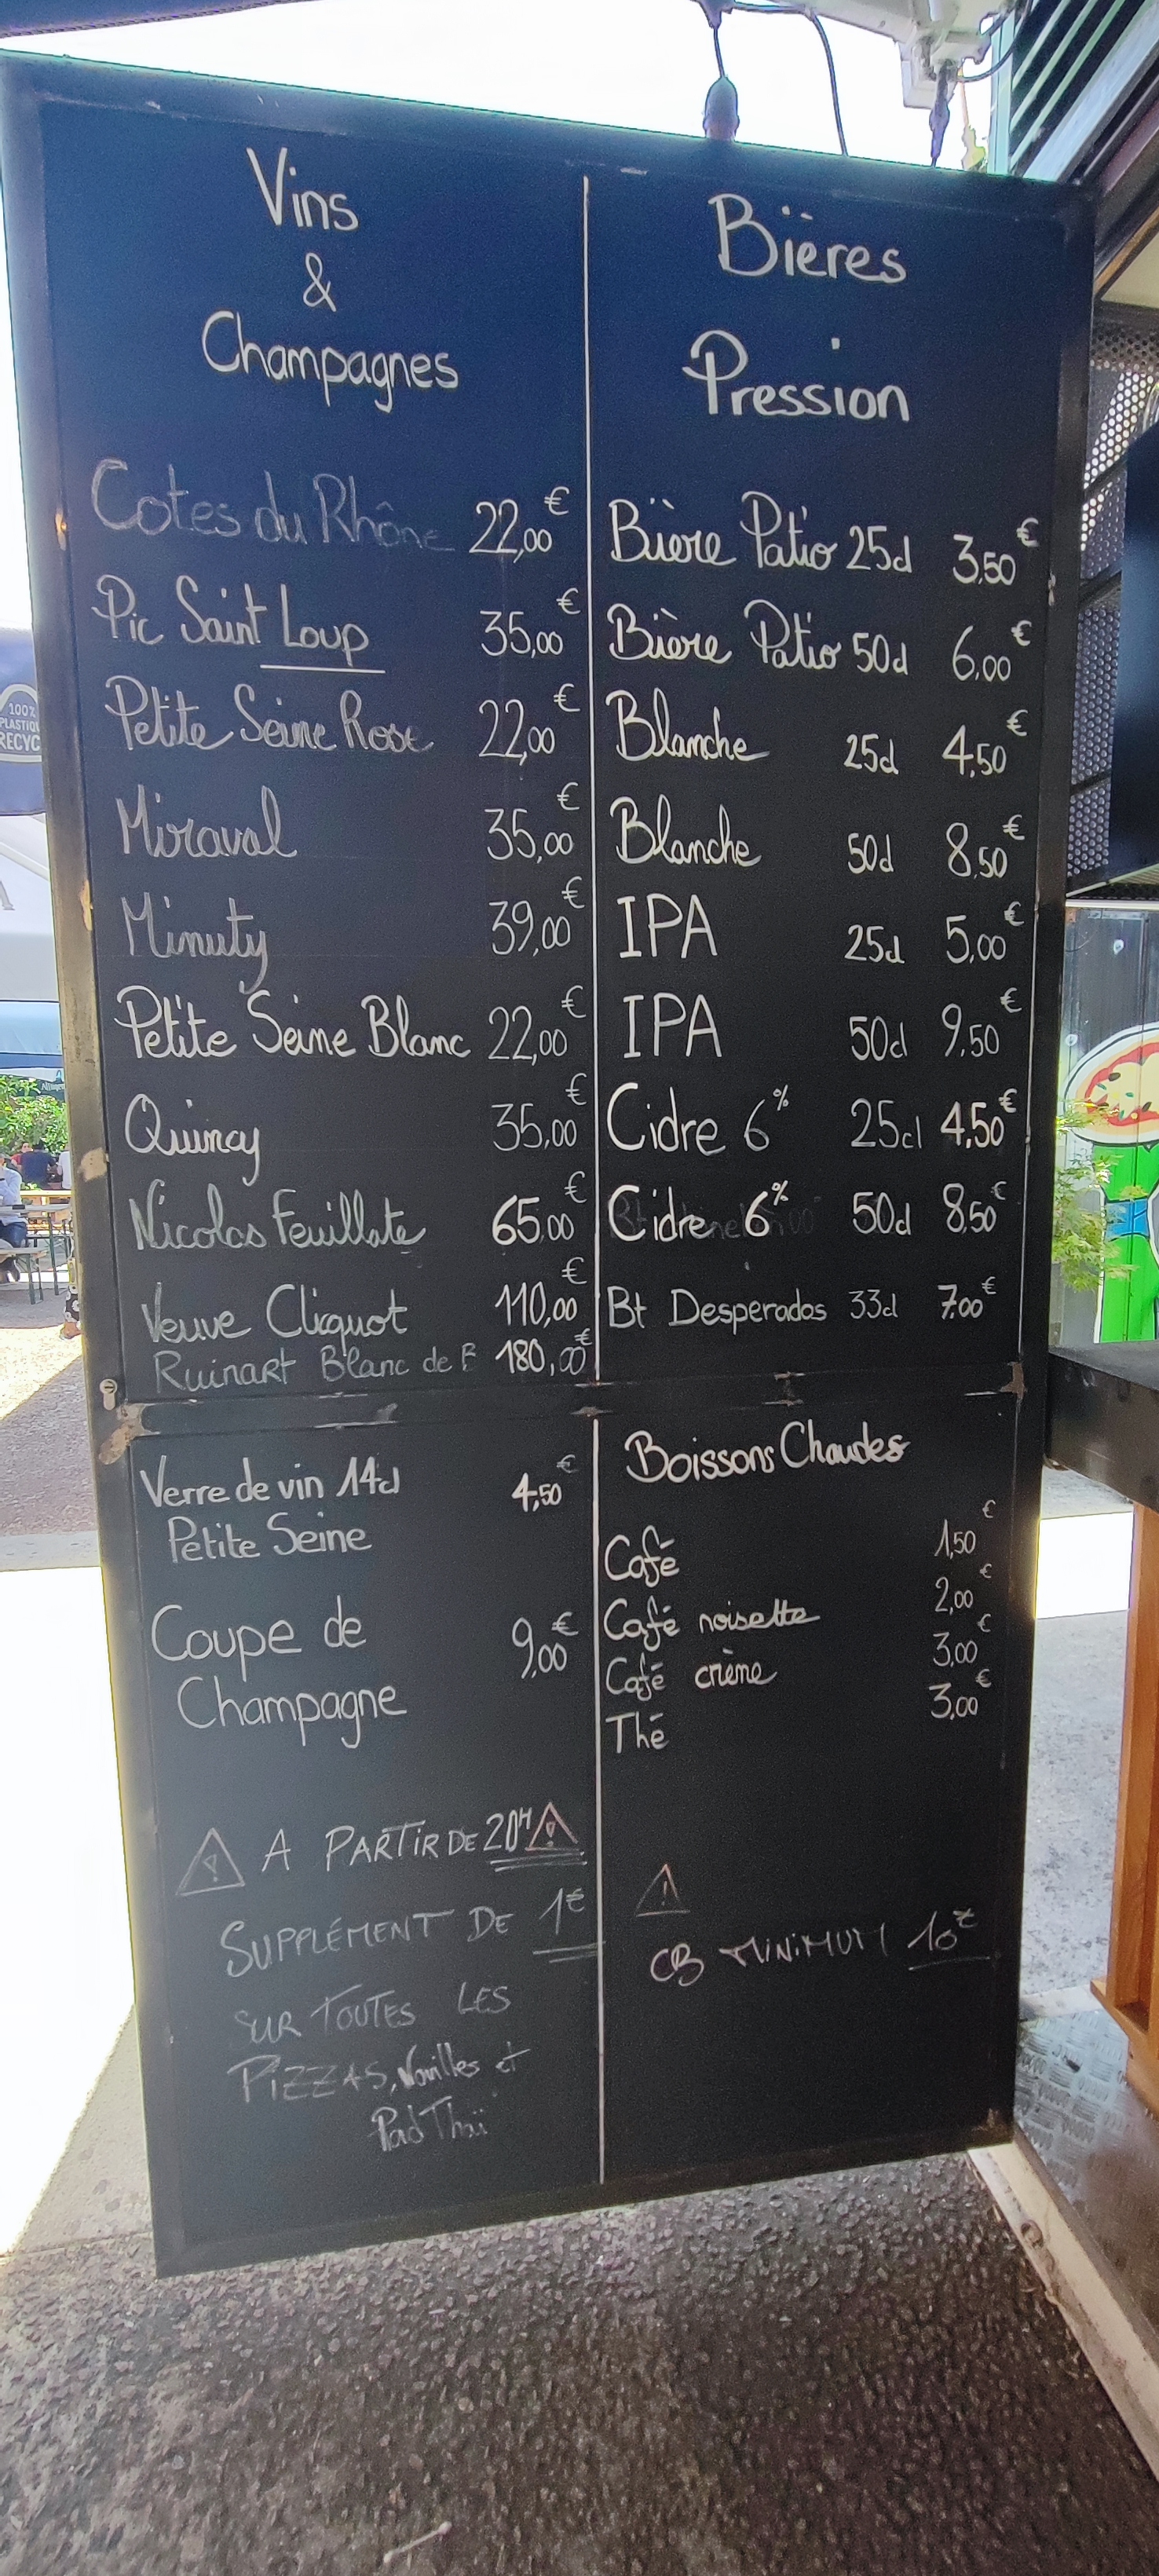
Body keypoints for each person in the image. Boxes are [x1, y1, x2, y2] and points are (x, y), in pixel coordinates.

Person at [0, 1154, 28, 1285]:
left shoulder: (13, 1176)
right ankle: (6, 1267)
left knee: (13, 1242)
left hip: (13, 1219)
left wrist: (1, 1180)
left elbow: (11, 1200)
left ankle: (7, 1266)